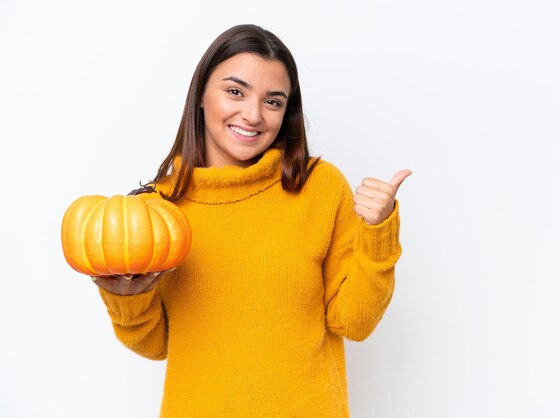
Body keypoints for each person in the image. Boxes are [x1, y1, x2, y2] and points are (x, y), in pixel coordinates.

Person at [92, 24, 411, 417]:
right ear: (201, 96)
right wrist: (127, 297)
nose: (253, 114)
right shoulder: (158, 211)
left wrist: (378, 232)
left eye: (273, 101)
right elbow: (155, 345)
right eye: (235, 91)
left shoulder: (319, 187)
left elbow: (354, 321)